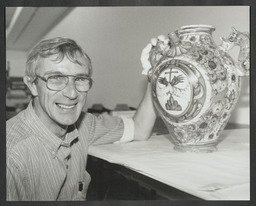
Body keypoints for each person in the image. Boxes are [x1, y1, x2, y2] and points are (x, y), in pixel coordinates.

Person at [6, 37, 157, 201]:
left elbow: (140, 129)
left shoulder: (84, 124)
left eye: (80, 79)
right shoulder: (11, 157)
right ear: (32, 85)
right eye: (56, 78)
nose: (71, 93)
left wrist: (153, 70)